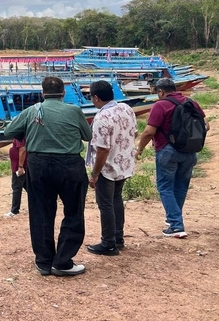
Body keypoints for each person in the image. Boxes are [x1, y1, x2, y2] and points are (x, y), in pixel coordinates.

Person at [4, 76, 92, 277]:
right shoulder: (74, 110)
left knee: (41, 213)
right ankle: (62, 261)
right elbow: (88, 136)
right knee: (73, 211)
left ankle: (44, 262)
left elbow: (9, 131)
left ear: (42, 93)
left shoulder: (32, 111)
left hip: (38, 165)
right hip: (70, 165)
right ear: (63, 93)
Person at [136, 78, 208, 238]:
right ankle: (174, 219)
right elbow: (206, 125)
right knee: (181, 186)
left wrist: (139, 149)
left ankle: (176, 225)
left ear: (160, 92)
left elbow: (149, 131)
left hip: (167, 151)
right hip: (190, 151)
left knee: (165, 187)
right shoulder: (191, 103)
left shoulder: (160, 105)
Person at [86, 80, 137, 255]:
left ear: (95, 97)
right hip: (124, 162)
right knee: (116, 199)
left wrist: (94, 174)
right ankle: (118, 237)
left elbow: (102, 150)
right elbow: (134, 132)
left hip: (107, 167)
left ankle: (108, 243)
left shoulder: (101, 118)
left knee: (105, 204)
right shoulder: (127, 109)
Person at [4, 137, 26, 217]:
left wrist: (20, 166)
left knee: (16, 188)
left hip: (19, 168)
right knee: (29, 188)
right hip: (19, 167)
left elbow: (23, 149)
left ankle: (14, 210)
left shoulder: (20, 137)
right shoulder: (19, 137)